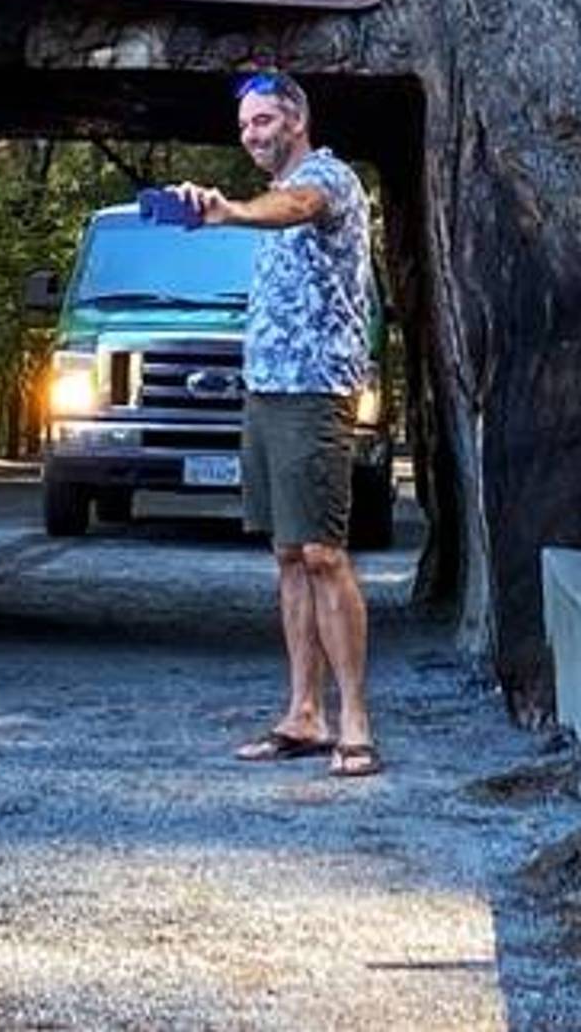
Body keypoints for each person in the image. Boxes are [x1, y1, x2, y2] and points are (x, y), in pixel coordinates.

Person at [173, 69, 382, 779]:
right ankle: (304, 713)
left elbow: (296, 206)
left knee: (324, 552)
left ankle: (356, 721)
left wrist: (230, 212)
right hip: (265, 391)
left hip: (315, 389)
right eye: (244, 127)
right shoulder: (270, 197)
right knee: (288, 555)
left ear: (296, 119)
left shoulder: (329, 179)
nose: (252, 135)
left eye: (263, 121)